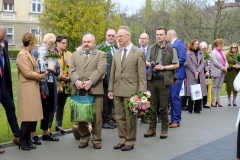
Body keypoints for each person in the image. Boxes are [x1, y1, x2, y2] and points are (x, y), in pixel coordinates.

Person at [108, 26, 147, 151]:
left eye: (120, 36)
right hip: (117, 89)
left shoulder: (139, 53)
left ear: (128, 36)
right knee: (119, 117)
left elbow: (142, 75)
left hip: (131, 90)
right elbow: (112, 72)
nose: (117, 38)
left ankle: (130, 141)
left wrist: (142, 93)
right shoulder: (117, 52)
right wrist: (110, 89)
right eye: (117, 36)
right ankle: (122, 139)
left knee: (130, 117)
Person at [69, 33, 106, 149]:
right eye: (84, 42)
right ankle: (84, 138)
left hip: (95, 89)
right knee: (81, 116)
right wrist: (77, 82)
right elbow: (71, 70)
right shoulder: (75, 55)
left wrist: (90, 81)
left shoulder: (101, 54)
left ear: (94, 43)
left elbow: (100, 70)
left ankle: (96, 140)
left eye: (88, 42)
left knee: (97, 117)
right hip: (80, 90)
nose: (86, 44)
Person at [144, 27, 179, 139]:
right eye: (157, 34)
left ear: (165, 35)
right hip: (152, 79)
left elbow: (176, 64)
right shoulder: (152, 48)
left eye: (161, 34)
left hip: (164, 80)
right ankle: (152, 128)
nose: (158, 36)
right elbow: (146, 61)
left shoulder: (171, 49)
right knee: (152, 106)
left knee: (163, 107)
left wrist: (163, 67)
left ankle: (164, 129)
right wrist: (151, 64)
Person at [16, 32, 48, 150]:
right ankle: (22, 140)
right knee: (27, 117)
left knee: (32, 117)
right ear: (30, 43)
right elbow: (27, 73)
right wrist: (41, 75)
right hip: (26, 89)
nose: (35, 45)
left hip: (32, 87)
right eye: (34, 43)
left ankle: (27, 140)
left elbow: (33, 68)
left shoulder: (28, 53)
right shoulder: (22, 55)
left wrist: (41, 71)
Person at [31, 33, 60, 144]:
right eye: (44, 42)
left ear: (52, 45)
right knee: (36, 109)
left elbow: (57, 72)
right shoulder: (35, 52)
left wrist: (53, 70)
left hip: (50, 83)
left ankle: (45, 133)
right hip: (39, 84)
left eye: (49, 43)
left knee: (47, 109)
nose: (46, 45)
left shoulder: (52, 54)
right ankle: (32, 135)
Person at [0, 25, 20, 145]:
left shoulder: (5, 44)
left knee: (10, 106)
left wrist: (2, 49)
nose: (2, 41)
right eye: (0, 39)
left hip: (3, 84)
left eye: (3, 38)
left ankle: (17, 135)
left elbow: (6, 62)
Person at [48, 34, 72, 134]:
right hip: (55, 84)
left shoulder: (69, 54)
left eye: (66, 43)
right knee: (52, 107)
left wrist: (70, 76)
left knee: (61, 106)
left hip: (66, 85)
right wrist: (60, 76)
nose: (65, 45)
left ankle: (59, 125)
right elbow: (50, 69)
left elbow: (73, 66)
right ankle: (47, 128)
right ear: (57, 43)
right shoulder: (52, 53)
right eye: (63, 43)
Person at [96, 29, 118, 129]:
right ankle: (104, 120)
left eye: (113, 36)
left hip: (114, 79)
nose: (111, 37)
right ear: (106, 36)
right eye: (109, 35)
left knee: (110, 100)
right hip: (105, 79)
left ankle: (108, 119)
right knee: (104, 101)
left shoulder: (116, 47)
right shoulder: (100, 48)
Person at [167, 30, 186, 128]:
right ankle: (173, 117)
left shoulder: (179, 44)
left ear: (169, 35)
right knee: (170, 97)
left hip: (177, 75)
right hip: (170, 75)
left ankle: (177, 120)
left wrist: (169, 63)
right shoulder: (170, 44)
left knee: (174, 96)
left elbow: (183, 58)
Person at [185, 40, 207, 114]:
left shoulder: (201, 52)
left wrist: (198, 72)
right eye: (195, 44)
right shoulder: (188, 53)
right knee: (192, 90)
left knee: (199, 90)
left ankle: (197, 108)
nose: (196, 45)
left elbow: (202, 63)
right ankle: (190, 108)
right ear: (192, 44)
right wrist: (195, 72)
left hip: (199, 73)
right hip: (191, 73)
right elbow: (189, 63)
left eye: (197, 44)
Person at [210, 39, 228, 107]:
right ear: (219, 44)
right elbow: (215, 62)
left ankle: (218, 99)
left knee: (219, 86)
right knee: (214, 86)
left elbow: (225, 60)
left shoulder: (222, 52)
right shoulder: (213, 52)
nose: (223, 45)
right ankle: (213, 100)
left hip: (222, 71)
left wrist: (226, 66)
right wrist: (223, 67)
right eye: (222, 44)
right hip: (216, 71)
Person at [199, 41, 211, 109]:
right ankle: (199, 101)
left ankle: (205, 102)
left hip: (207, 72)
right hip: (201, 72)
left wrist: (208, 70)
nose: (204, 49)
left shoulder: (207, 55)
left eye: (205, 48)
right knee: (200, 87)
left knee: (205, 87)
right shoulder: (200, 54)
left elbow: (209, 63)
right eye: (203, 48)